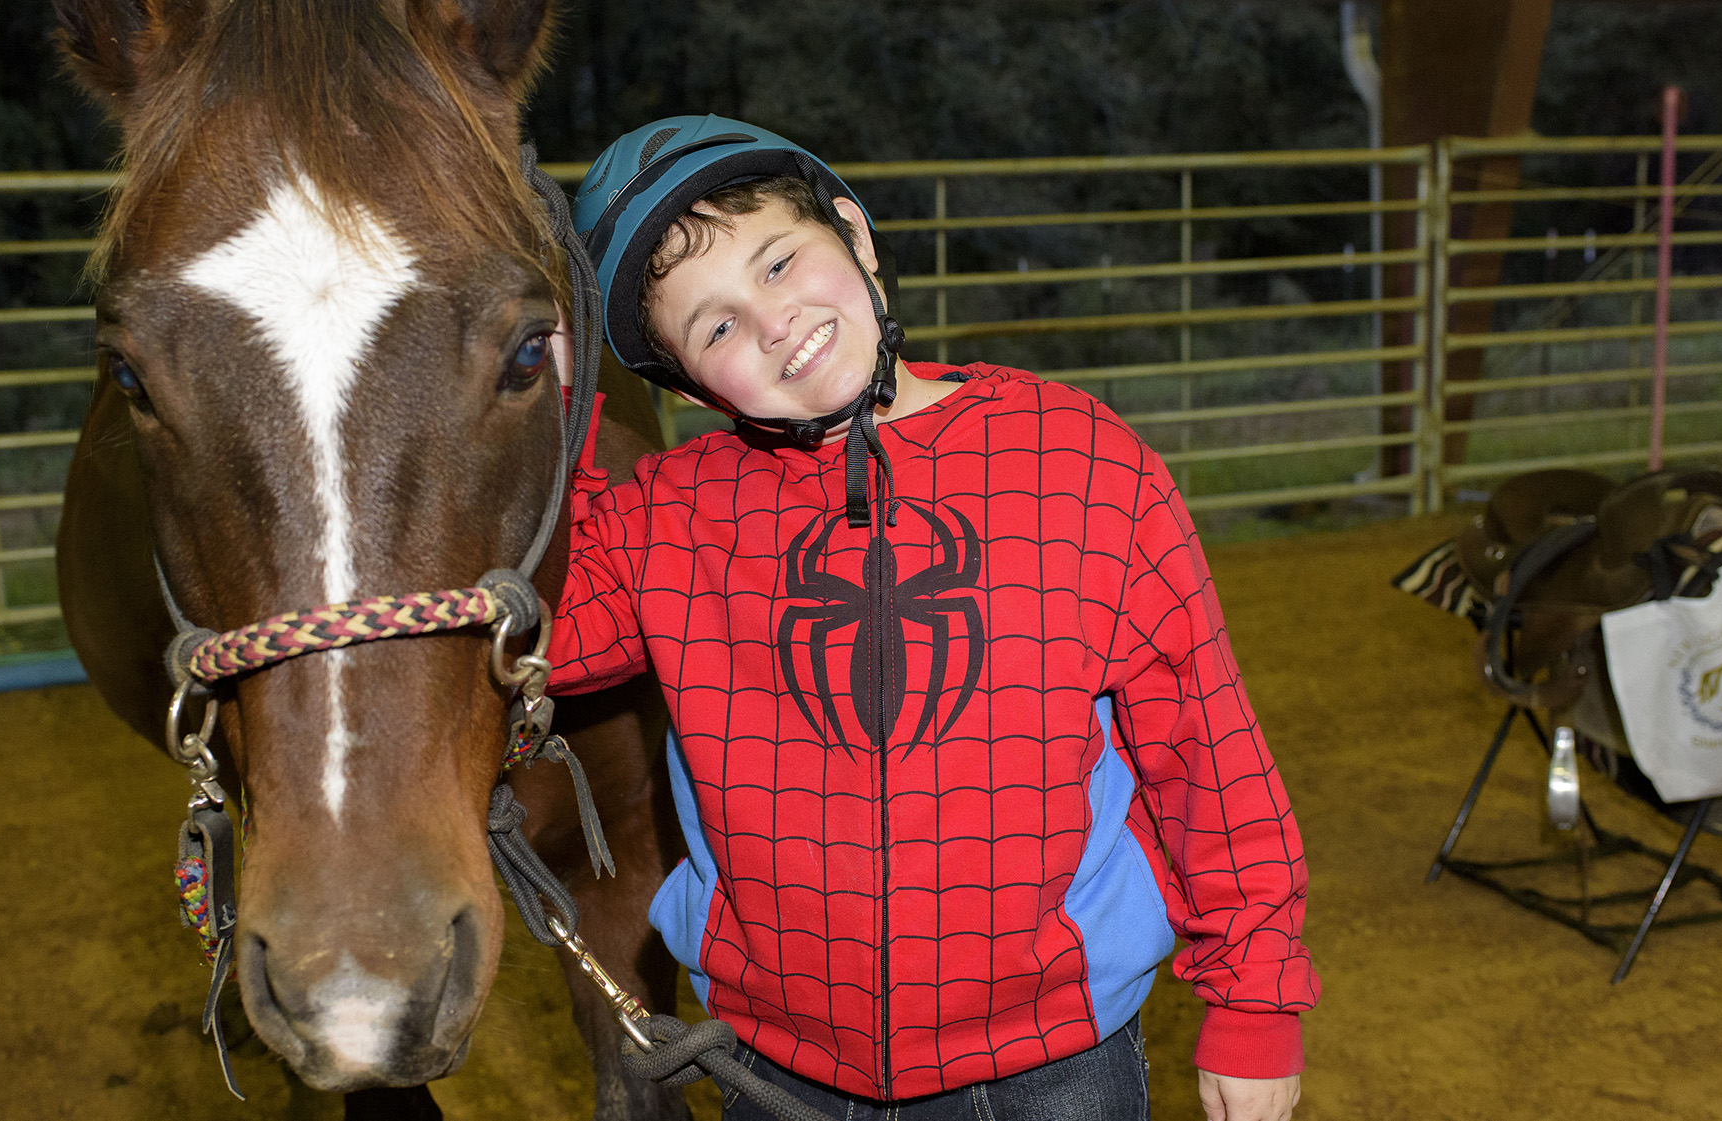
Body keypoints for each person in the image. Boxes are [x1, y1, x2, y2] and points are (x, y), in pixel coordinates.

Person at [544, 114, 1317, 1121]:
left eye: (779, 263)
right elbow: (545, 640)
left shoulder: (1077, 459)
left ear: (856, 237)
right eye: (717, 325)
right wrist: (550, 403)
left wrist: (1254, 997)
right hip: (776, 1068)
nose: (773, 322)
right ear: (689, 382)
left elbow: (1204, 747)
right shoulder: (667, 517)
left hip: (1047, 1065)